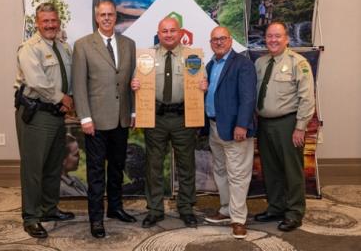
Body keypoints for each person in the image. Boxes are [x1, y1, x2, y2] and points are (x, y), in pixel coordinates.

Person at [131, 17, 207, 228]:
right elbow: (137, 82)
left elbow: (201, 81)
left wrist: (203, 83)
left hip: (183, 117)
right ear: (159, 32)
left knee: (186, 165)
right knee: (153, 166)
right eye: (164, 31)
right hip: (155, 117)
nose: (168, 34)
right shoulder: (147, 56)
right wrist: (135, 84)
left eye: (172, 30)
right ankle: (155, 209)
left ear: (180, 32)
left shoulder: (192, 56)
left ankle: (186, 208)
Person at [72, 0, 137, 239]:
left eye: (111, 14)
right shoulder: (83, 46)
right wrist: (85, 117)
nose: (107, 18)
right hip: (96, 121)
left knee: (118, 167)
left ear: (116, 18)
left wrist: (132, 112)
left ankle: (115, 208)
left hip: (121, 119)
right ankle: (96, 218)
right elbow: (78, 85)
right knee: (97, 172)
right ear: (96, 17)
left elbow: (130, 81)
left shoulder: (129, 44)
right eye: (103, 15)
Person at [14, 2, 75, 239]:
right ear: (37, 24)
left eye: (53, 20)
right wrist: (64, 98)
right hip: (36, 114)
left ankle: (49, 209)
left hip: (57, 115)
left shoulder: (63, 47)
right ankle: (31, 217)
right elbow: (37, 82)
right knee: (33, 168)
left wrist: (68, 101)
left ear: (59, 22)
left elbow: (68, 78)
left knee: (52, 166)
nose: (50, 25)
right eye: (45, 21)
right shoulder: (29, 48)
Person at [254, 22, 315, 231]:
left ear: (287, 39)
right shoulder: (260, 63)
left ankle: (294, 212)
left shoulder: (299, 63)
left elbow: (307, 98)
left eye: (277, 36)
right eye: (269, 36)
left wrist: (300, 127)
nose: (273, 40)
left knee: (292, 170)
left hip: (288, 124)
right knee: (270, 170)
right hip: (264, 123)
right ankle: (275, 207)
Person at [203, 27, 257, 239]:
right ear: (210, 42)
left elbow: (248, 98)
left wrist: (242, 125)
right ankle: (226, 210)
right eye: (214, 39)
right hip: (215, 127)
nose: (218, 42)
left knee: (238, 175)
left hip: (236, 129)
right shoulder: (211, 64)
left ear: (231, 40)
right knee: (221, 171)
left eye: (222, 38)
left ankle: (238, 219)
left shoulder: (243, 64)